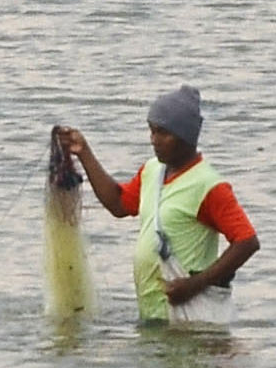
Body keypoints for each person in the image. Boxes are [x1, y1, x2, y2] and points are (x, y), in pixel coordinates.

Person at [54, 86, 258, 324]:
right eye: (151, 131)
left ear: (185, 136)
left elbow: (247, 242)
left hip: (190, 317)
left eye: (162, 133)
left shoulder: (208, 185)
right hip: (154, 314)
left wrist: (194, 285)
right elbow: (118, 204)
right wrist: (83, 152)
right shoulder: (152, 171)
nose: (153, 140)